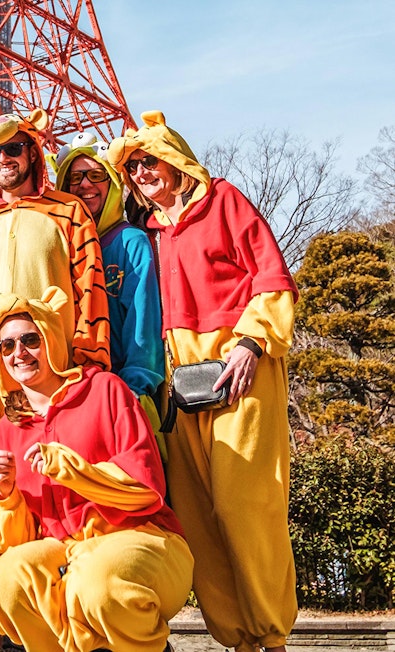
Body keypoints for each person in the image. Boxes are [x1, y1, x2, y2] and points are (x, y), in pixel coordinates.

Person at [107, 111, 299, 652]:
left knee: (244, 502)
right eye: (135, 166)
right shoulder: (145, 234)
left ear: (178, 162)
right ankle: (238, 639)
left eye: (152, 161)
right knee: (195, 510)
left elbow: (270, 274)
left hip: (237, 362)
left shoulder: (224, 201)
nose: (143, 171)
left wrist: (252, 342)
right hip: (178, 377)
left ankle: (272, 634)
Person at [0, 290, 192, 652]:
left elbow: (146, 487)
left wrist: (71, 468)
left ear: (50, 337)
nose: (20, 353)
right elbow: (10, 543)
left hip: (142, 539)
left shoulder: (105, 389)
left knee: (97, 583)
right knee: (3, 585)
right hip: (63, 552)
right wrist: (6, 495)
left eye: (30, 340)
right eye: (7, 345)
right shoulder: (7, 427)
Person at [0, 109, 111, 468]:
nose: (3, 159)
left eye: (13, 147)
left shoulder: (69, 211)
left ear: (33, 151)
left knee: (61, 476)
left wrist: (90, 366)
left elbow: (90, 293)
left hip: (57, 377)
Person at [52, 133, 166, 450]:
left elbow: (143, 325)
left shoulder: (130, 242)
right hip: (68, 402)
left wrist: (133, 391)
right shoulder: (56, 245)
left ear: (113, 184)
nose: (85, 185)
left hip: (121, 399)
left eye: (96, 175)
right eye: (74, 177)